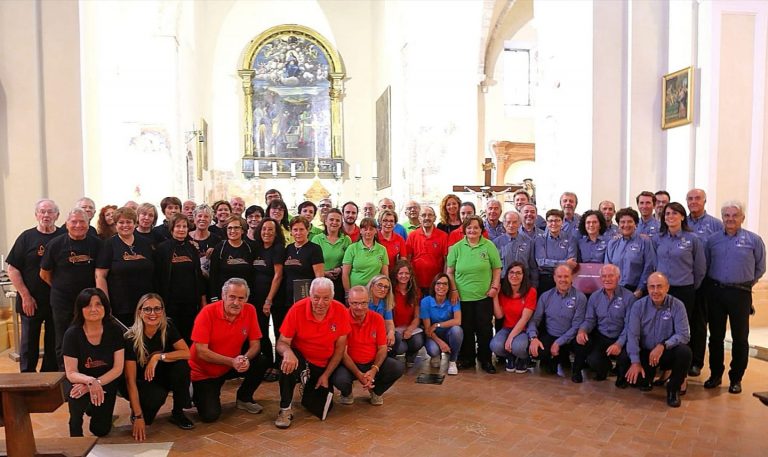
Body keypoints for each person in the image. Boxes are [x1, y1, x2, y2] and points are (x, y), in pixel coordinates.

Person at [704, 201, 765, 394]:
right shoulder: (712, 240)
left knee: (740, 338)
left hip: (740, 294)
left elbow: (760, 267)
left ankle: (736, 378)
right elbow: (706, 264)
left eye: (734, 215)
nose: (730, 219)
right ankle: (715, 375)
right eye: (726, 215)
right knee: (715, 337)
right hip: (716, 292)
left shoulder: (754, 240)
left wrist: (746, 283)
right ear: (722, 218)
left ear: (742, 218)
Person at [274, 278, 351, 429]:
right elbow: (282, 342)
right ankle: (285, 409)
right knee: (287, 363)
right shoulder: (297, 309)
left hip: (323, 363)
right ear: (310, 295)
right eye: (316, 298)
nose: (320, 303)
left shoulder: (341, 310)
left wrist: (326, 375)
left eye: (326, 298)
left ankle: (308, 385)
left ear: (332, 297)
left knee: (322, 409)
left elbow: (340, 349)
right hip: (301, 359)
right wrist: (288, 352)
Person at [189, 278, 267, 422]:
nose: (236, 302)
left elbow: (255, 344)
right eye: (232, 297)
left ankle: (244, 398)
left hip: (230, 365)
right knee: (210, 415)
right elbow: (201, 352)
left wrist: (245, 359)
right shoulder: (207, 312)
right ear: (223, 296)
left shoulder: (250, 310)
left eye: (241, 298)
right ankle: (194, 390)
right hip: (204, 372)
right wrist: (232, 362)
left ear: (246, 299)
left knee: (261, 360)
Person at [124, 293, 194, 440]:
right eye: (147, 309)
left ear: (162, 311)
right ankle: (138, 409)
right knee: (149, 415)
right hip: (143, 382)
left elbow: (186, 353)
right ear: (139, 312)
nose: (153, 313)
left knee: (182, 367)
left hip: (163, 375)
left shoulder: (167, 326)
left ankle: (178, 412)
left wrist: (157, 357)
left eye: (157, 308)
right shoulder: (130, 338)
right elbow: (130, 381)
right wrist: (138, 416)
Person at [40, 207, 102, 368]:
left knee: (89, 336)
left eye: (82, 222)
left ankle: (87, 370)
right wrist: (60, 287)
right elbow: (44, 274)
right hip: (63, 301)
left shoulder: (97, 244)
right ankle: (65, 373)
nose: (78, 225)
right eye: (74, 222)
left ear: (88, 224)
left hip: (89, 302)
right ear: (67, 224)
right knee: (63, 338)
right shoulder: (55, 244)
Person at [619, 273, 691, 407]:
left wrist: (663, 345)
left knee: (684, 352)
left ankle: (673, 389)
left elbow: (684, 335)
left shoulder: (677, 305)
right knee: (638, 382)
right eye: (652, 287)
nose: (656, 291)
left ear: (667, 288)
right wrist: (635, 362)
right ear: (647, 288)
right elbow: (633, 336)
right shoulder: (638, 306)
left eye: (659, 286)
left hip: (666, 351)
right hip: (646, 352)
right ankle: (650, 376)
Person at [6, 199, 62, 372]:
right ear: (36, 215)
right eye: (42, 211)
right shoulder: (26, 237)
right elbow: (12, 269)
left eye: (50, 211)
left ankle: (49, 378)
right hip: (30, 300)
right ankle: (27, 377)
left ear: (57, 215)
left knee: (54, 342)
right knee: (29, 344)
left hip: (56, 300)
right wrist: (26, 296)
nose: (46, 215)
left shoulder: (63, 236)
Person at [62, 288, 124, 437]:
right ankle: (75, 426)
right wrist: (89, 382)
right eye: (88, 305)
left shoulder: (115, 330)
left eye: (98, 304)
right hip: (80, 381)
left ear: (105, 307)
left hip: (106, 381)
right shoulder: (72, 334)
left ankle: (92, 408)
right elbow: (71, 372)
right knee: (75, 395)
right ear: (80, 309)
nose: (94, 309)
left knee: (100, 430)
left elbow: (118, 368)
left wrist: (96, 383)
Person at [653, 202, 706, 376]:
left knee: (683, 328)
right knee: (663, 325)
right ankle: (665, 366)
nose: (670, 216)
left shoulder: (692, 239)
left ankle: (682, 368)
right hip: (662, 291)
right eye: (667, 213)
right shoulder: (658, 239)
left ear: (682, 216)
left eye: (675, 213)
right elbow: (654, 263)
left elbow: (700, 268)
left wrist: (691, 286)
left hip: (684, 290)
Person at [332, 286, 404, 406]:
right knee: (340, 379)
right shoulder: (341, 318)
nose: (359, 307)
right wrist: (359, 374)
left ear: (368, 301)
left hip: (371, 362)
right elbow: (342, 353)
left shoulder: (377, 318)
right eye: (355, 303)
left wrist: (374, 369)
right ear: (349, 302)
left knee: (397, 367)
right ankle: (346, 393)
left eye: (363, 303)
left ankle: (376, 392)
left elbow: (382, 348)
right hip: (348, 363)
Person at [447, 215, 502, 373]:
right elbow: (449, 272)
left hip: (484, 296)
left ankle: (486, 360)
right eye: (469, 227)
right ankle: (468, 359)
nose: (472, 230)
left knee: (485, 329)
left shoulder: (489, 245)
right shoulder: (456, 248)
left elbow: (496, 269)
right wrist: (454, 290)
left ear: (481, 230)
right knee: (466, 329)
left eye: (476, 227)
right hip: (462, 297)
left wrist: (494, 287)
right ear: (464, 230)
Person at [573, 264, 635, 384]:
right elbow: (590, 319)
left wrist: (619, 344)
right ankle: (605, 369)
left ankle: (621, 374)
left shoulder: (629, 297)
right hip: (602, 336)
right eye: (604, 276)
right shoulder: (595, 296)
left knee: (625, 359)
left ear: (618, 278)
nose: (607, 279)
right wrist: (582, 330)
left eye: (611, 276)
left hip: (622, 337)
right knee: (592, 359)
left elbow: (630, 326)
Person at [95, 207, 155, 327]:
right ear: (115, 224)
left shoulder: (146, 243)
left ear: (135, 223)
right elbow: (100, 276)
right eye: (121, 222)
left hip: (146, 303)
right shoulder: (109, 245)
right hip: (120, 305)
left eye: (129, 222)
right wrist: (105, 303)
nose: (125, 225)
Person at [154, 213, 208, 344]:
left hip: (190, 302)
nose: (181, 229)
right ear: (172, 228)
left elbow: (198, 276)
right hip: (170, 303)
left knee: (189, 335)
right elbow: (157, 278)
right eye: (178, 226)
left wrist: (203, 301)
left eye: (184, 226)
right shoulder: (162, 249)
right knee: (171, 337)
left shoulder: (192, 248)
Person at [527, 265, 586, 377]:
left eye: (566, 276)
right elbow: (535, 320)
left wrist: (559, 342)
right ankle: (555, 359)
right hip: (551, 334)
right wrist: (533, 337)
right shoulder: (545, 296)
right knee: (536, 351)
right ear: (554, 278)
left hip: (570, 337)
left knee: (582, 344)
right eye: (559, 276)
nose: (563, 280)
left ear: (572, 277)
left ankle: (576, 371)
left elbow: (577, 326)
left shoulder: (580, 297)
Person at [251, 217, 286, 382]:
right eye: (264, 229)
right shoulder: (256, 248)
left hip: (275, 298)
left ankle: (279, 366)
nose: (267, 232)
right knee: (262, 333)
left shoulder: (278, 249)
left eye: (270, 229)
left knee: (278, 332)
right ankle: (267, 364)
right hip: (257, 298)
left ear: (276, 232)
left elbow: (278, 275)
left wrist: (269, 300)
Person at [490, 262, 537, 373]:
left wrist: (510, 338)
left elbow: (524, 319)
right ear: (507, 275)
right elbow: (499, 315)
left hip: (524, 329)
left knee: (518, 347)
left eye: (518, 273)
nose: (514, 276)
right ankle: (510, 356)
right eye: (511, 272)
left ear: (523, 275)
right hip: (507, 328)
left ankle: (524, 358)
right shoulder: (504, 292)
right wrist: (495, 296)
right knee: (495, 346)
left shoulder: (531, 291)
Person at [604, 207, 656, 298]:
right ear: (618, 225)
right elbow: (607, 267)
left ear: (635, 224)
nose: (626, 225)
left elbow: (649, 267)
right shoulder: (612, 243)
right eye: (622, 222)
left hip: (637, 291)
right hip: (615, 290)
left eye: (629, 221)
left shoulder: (645, 241)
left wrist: (640, 289)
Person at [421, 273, 463, 375]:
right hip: (433, 336)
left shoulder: (453, 299)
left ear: (449, 287)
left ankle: (452, 361)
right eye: (438, 283)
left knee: (457, 330)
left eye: (445, 284)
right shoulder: (425, 301)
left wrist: (437, 325)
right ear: (433, 285)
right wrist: (440, 343)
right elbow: (428, 330)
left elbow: (457, 321)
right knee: (433, 351)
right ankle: (436, 355)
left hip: (448, 333)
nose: (441, 286)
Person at [208, 215, 256, 302]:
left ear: (242, 230)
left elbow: (253, 276)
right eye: (229, 228)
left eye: (236, 228)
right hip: (224, 298)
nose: (233, 231)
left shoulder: (250, 248)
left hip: (244, 297)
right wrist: (214, 298)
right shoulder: (220, 248)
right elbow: (213, 275)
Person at [406, 206, 449, 295]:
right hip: (416, 283)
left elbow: (446, 261)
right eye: (423, 215)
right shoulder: (412, 236)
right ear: (419, 218)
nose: (427, 218)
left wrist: (443, 281)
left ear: (435, 218)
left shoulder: (443, 236)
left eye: (430, 215)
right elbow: (408, 259)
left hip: (436, 284)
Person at [533, 209, 578, 294]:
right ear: (547, 223)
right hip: (546, 278)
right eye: (551, 221)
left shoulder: (571, 239)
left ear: (562, 222)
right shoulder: (540, 239)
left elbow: (572, 263)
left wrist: (550, 263)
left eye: (557, 220)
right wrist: (565, 263)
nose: (554, 223)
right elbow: (541, 262)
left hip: (565, 277)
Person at [390, 260, 425, 366]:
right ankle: (391, 357)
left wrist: (409, 329)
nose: (404, 276)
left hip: (410, 328)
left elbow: (417, 316)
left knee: (418, 341)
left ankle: (411, 355)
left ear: (410, 275)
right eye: (400, 273)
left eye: (406, 273)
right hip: (394, 328)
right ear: (396, 275)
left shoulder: (416, 291)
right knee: (401, 347)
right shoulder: (390, 291)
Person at [312, 208, 351, 303]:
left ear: (341, 223)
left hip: (339, 281)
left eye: (337, 220)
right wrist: (325, 273)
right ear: (326, 221)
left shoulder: (346, 240)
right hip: (321, 281)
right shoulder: (317, 239)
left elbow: (351, 261)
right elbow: (311, 263)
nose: (334, 222)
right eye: (331, 219)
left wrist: (340, 269)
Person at [342, 217, 389, 293]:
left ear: (376, 231)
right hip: (356, 292)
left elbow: (385, 275)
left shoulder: (382, 249)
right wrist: (348, 293)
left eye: (371, 229)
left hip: (375, 292)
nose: (368, 231)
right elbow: (345, 274)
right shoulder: (352, 248)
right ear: (360, 231)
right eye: (365, 229)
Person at [495, 210, 538, 285]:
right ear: (504, 224)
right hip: (503, 282)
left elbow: (533, 266)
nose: (511, 225)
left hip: (524, 282)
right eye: (508, 222)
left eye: (514, 222)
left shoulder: (529, 242)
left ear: (519, 224)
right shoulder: (496, 243)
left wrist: (534, 285)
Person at [189, 204, 221, 279]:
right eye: (199, 216)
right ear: (194, 219)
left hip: (209, 281)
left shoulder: (217, 239)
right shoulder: (186, 238)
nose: (202, 219)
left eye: (206, 216)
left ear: (210, 220)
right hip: (189, 280)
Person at [366, 274, 396, 353]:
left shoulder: (385, 302)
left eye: (386, 287)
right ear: (372, 286)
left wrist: (391, 332)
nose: (383, 289)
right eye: (380, 285)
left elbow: (389, 322)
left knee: (397, 339)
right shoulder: (364, 302)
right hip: (366, 334)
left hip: (379, 333)